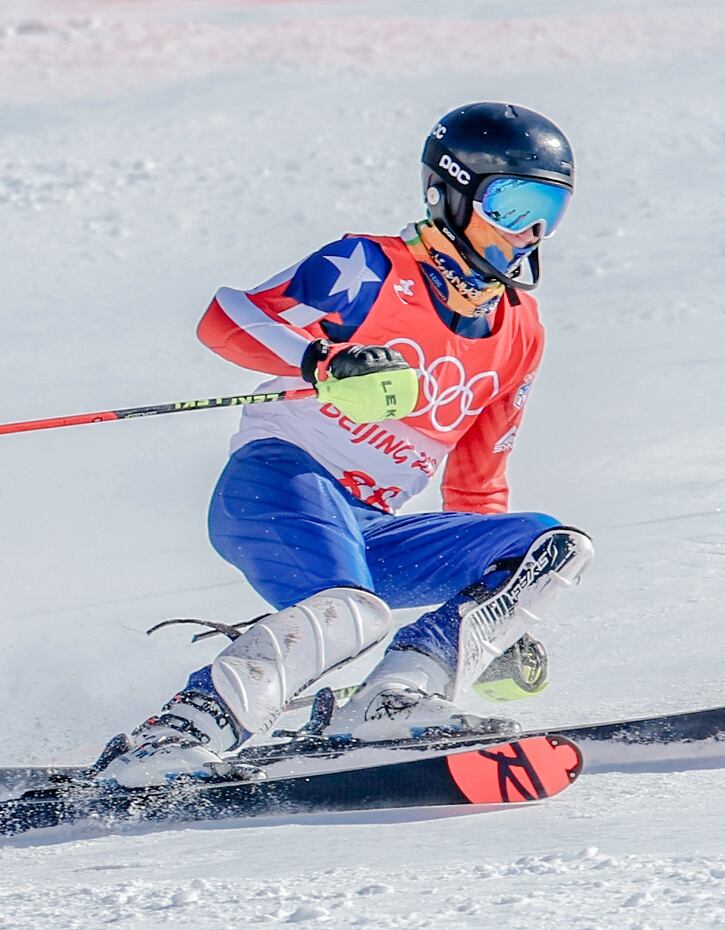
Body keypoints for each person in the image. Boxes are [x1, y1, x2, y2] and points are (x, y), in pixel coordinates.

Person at [99, 102, 594, 787]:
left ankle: (395, 699)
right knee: (351, 612)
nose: (531, 231)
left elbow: (477, 484)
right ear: (449, 192)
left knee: (550, 549)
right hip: (279, 484)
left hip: (369, 528)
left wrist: (494, 618)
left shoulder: (519, 329)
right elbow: (226, 320)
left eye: (550, 209)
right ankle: (180, 733)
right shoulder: (367, 268)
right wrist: (321, 363)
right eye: (512, 204)